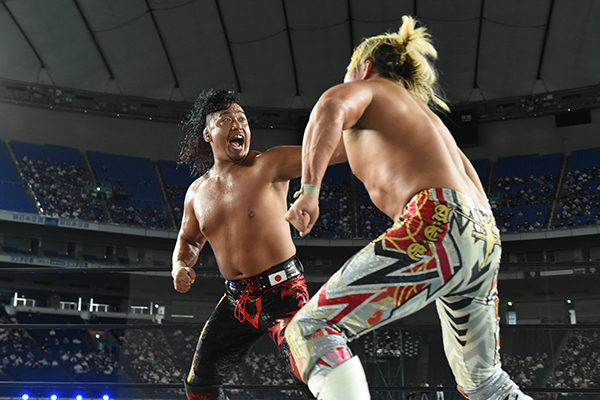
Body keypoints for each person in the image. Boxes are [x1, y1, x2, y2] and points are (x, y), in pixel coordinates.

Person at [285, 16, 532, 400]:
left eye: (348, 72)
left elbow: (330, 106)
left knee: (310, 330)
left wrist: (309, 191)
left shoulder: (369, 90)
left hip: (438, 222)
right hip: (484, 241)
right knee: (484, 383)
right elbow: (325, 142)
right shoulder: (423, 119)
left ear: (364, 68)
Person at [172, 89, 344, 400]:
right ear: (208, 134)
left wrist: (370, 130)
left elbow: (326, 151)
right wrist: (180, 265)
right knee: (200, 385)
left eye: (242, 119)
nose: (238, 124)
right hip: (236, 300)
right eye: (226, 119)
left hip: (283, 292)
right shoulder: (196, 193)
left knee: (313, 374)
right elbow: (188, 239)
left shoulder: (269, 164)